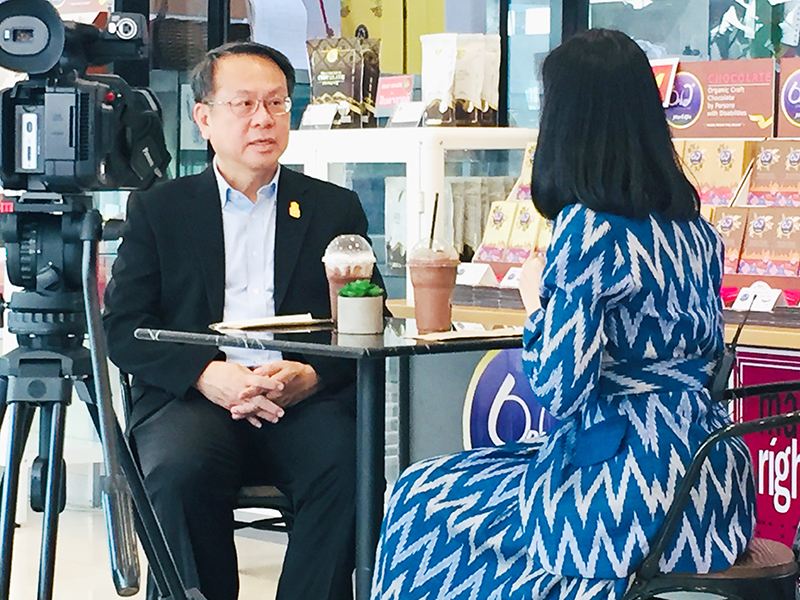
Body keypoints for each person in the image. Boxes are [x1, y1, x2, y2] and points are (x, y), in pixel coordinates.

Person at [370, 29, 755, 600]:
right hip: (710, 487)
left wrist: (536, 301)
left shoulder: (587, 228)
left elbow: (559, 387)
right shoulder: (696, 231)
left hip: (627, 493)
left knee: (419, 496)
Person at [103, 41, 383, 600]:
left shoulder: (334, 207)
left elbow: (370, 318)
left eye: (277, 104)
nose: (264, 119)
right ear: (203, 118)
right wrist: (207, 372)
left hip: (299, 396)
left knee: (350, 466)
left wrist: (313, 373)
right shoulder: (160, 208)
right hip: (195, 397)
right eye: (245, 104)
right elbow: (125, 328)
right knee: (180, 471)